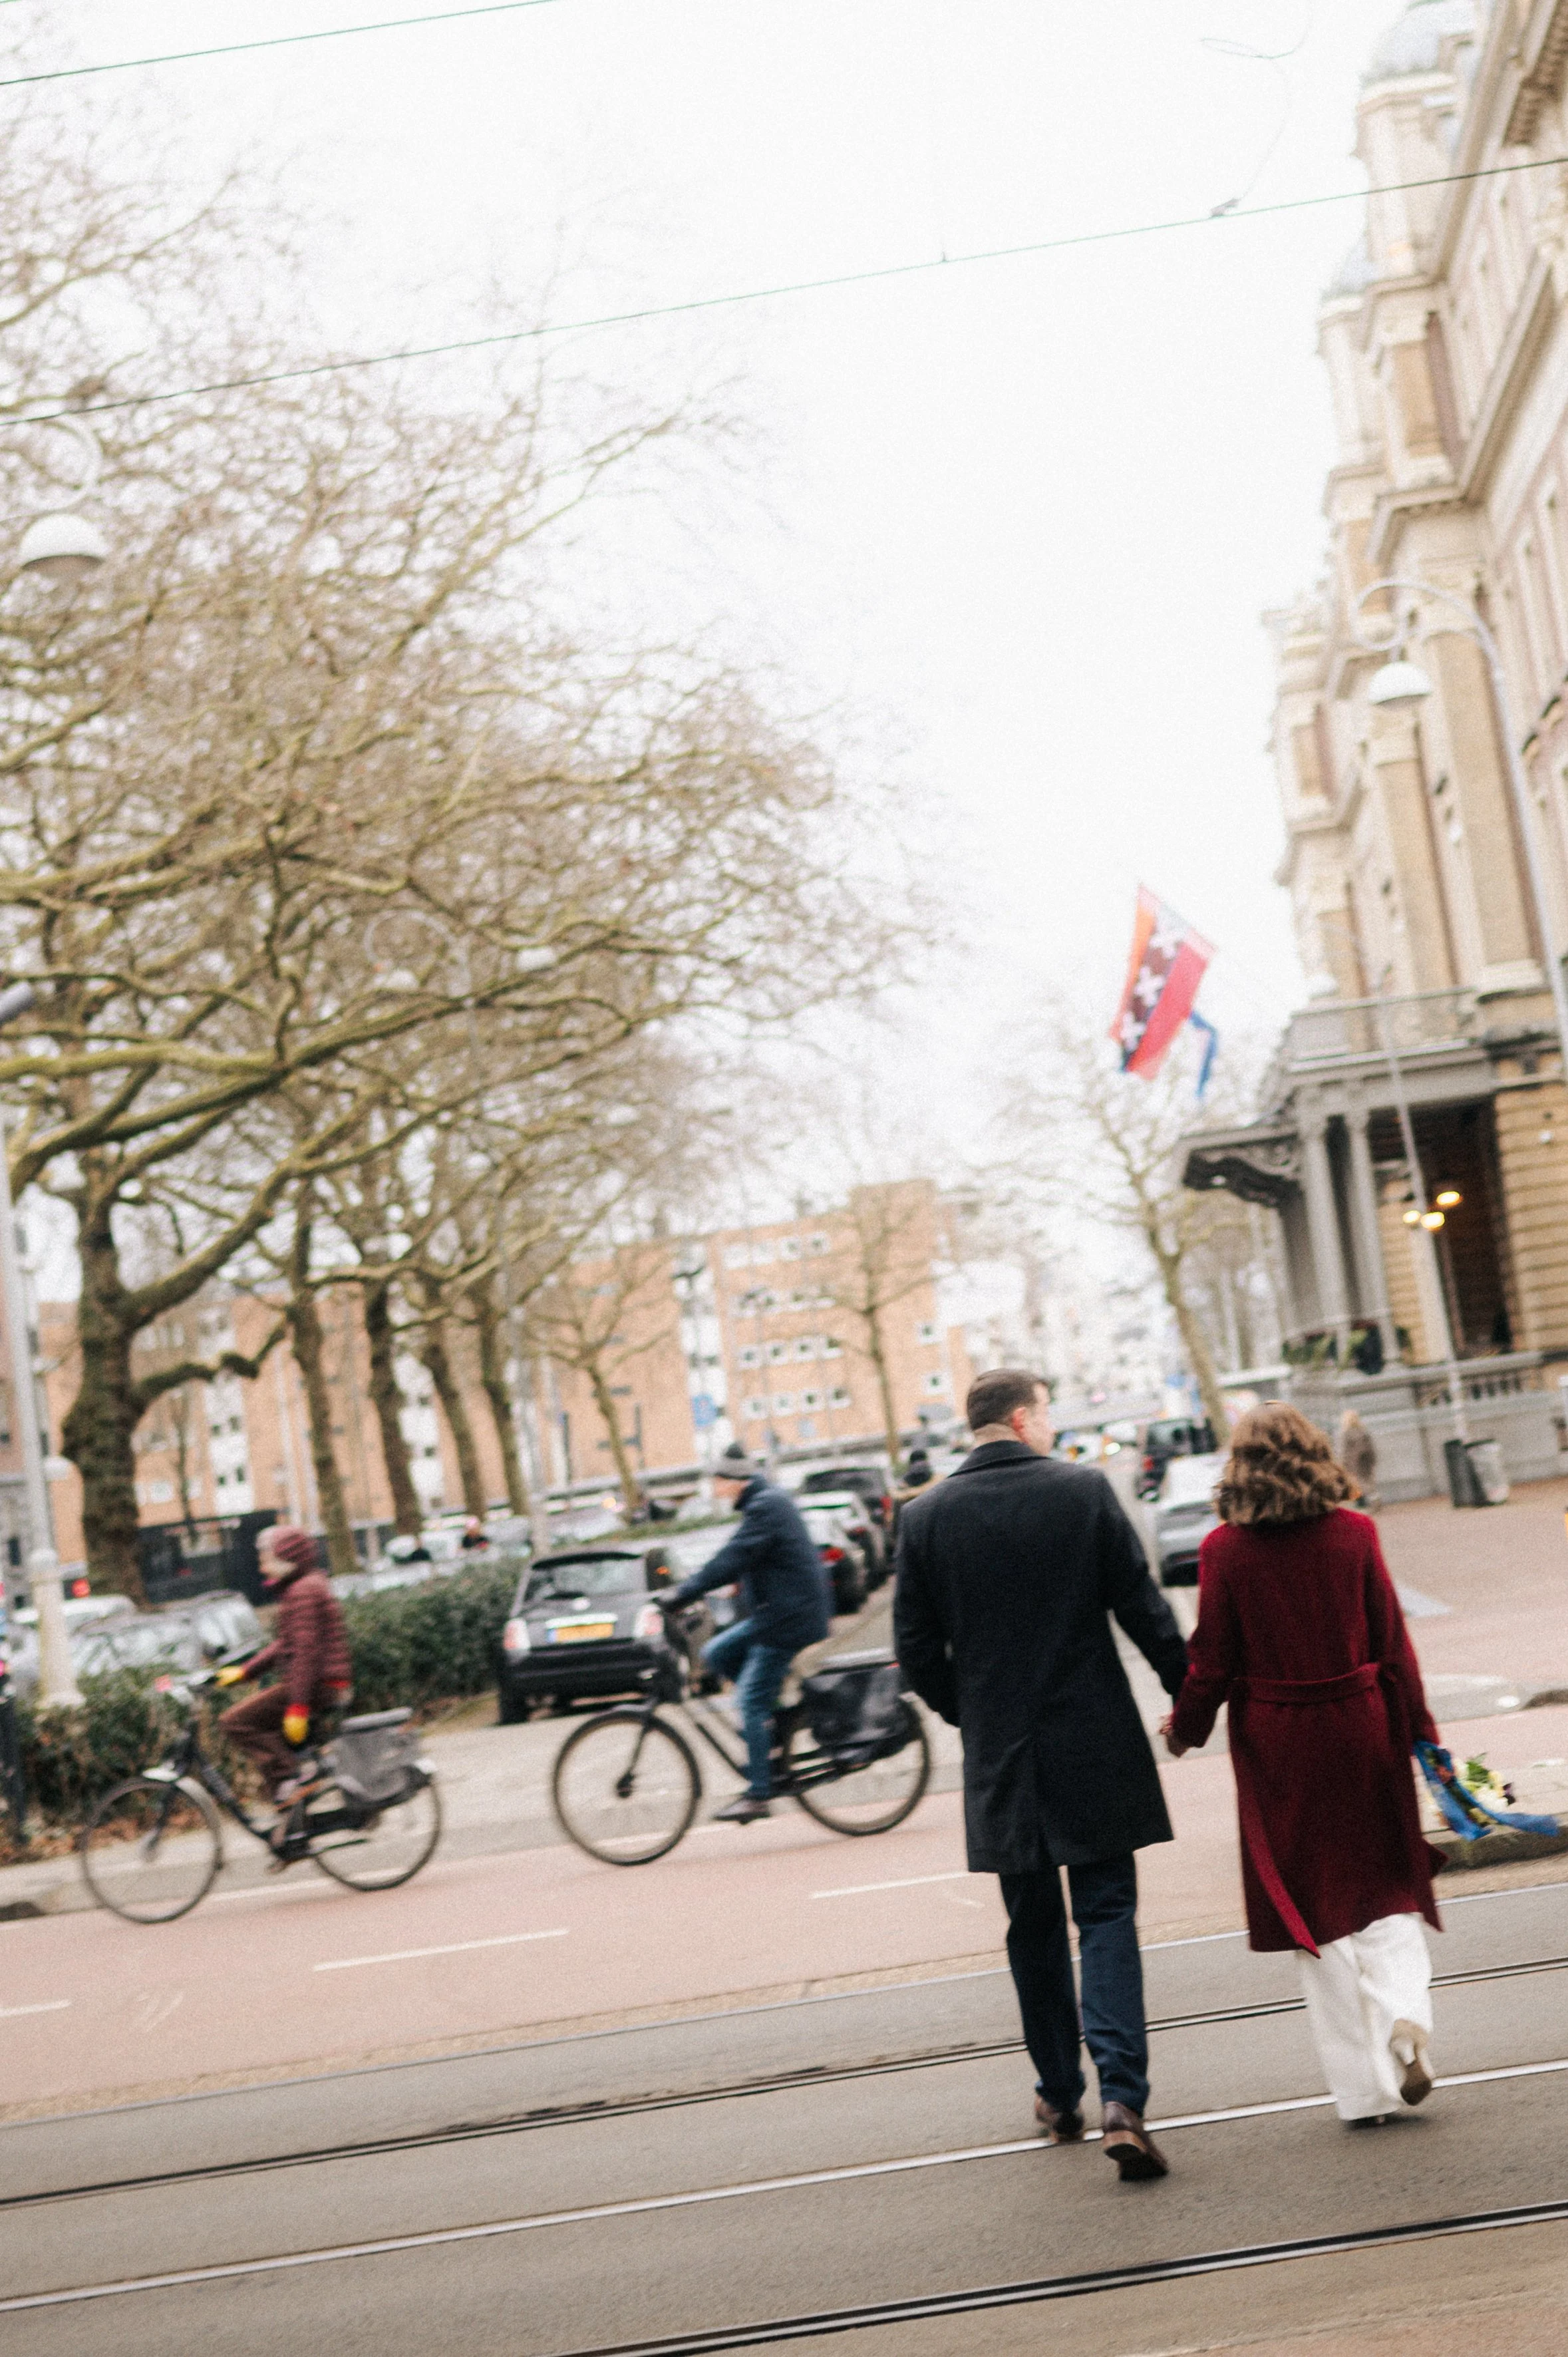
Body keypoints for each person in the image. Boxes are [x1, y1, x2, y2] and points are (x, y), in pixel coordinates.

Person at [895, 1368, 1189, 2183]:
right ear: (1022, 1419)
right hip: (1093, 1743)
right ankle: (1122, 2102)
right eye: (1048, 1413)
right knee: (1105, 1915)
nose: (1052, 1426)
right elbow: (1142, 1607)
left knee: (1030, 1928)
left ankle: (1060, 2093)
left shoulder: (923, 1519)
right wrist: (1186, 1693)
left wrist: (974, 1714)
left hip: (1003, 1759)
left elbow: (916, 1653)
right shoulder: (1082, 1491)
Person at [1164, 1404, 1443, 2127]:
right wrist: (1422, 1733)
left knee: (1314, 1915)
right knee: (1386, 1884)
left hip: (1278, 1739)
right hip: (1360, 1723)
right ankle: (1405, 2017)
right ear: (1315, 1453)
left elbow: (1213, 1657)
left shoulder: (1223, 1549)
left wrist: (1184, 1728)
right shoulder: (1356, 1533)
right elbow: (1391, 1643)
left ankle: (1365, 2092)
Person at [665, 1440, 829, 1823]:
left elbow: (733, 1557)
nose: (715, 1489)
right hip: (777, 1615)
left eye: (718, 1481)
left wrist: (683, 1592)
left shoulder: (766, 1506)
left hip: (789, 1620)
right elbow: (745, 1558)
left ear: (734, 1480)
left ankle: (759, 1794)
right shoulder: (762, 1504)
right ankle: (771, 1729)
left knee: (750, 1701)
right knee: (716, 1653)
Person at [216, 1527, 354, 1814]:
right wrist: (246, 1672)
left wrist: (298, 1706)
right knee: (264, 1724)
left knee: (235, 1722)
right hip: (325, 1682)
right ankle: (296, 1815)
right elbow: (286, 1644)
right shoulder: (306, 1586)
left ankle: (288, 1781)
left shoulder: (303, 1592)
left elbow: (306, 1653)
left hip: (317, 1685)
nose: (262, 1566)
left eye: (267, 1558)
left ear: (288, 1558)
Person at [1336, 1409, 1378, 1509]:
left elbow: (1344, 1451)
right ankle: (1374, 1500)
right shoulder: (1363, 1432)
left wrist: (1341, 1464)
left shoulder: (1345, 1433)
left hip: (1352, 1464)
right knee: (1367, 1483)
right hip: (1365, 1463)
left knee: (1355, 1484)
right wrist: (1372, 1461)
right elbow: (1371, 1449)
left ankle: (1361, 1504)